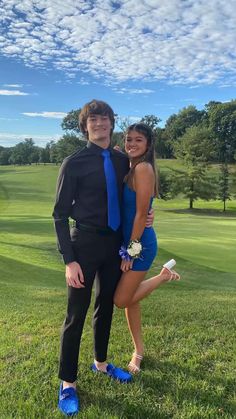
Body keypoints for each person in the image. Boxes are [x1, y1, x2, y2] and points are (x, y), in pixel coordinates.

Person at [52, 100, 155, 416]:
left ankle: (101, 362)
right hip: (83, 246)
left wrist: (149, 215)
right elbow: (59, 215)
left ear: (112, 124)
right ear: (85, 126)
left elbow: (136, 200)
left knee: (105, 307)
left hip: (114, 246)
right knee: (76, 314)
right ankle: (67, 382)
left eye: (104, 119)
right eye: (92, 119)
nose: (99, 123)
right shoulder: (74, 163)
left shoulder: (125, 160)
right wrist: (69, 261)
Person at [114, 123, 180, 374]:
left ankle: (163, 276)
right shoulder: (131, 165)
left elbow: (142, 214)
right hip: (128, 241)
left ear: (148, 145)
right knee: (132, 300)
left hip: (139, 245)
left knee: (121, 300)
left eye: (138, 140)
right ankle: (138, 350)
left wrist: (130, 251)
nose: (132, 144)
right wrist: (122, 152)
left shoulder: (143, 169)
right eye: (128, 139)